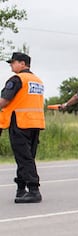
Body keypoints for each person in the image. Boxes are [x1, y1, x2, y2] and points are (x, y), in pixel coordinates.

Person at [0, 52, 45, 203]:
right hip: (35, 123)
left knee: (24, 158)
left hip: (19, 123)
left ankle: (33, 190)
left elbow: (4, 101)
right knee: (27, 157)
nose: (11, 65)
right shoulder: (37, 81)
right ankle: (21, 189)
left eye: (13, 62)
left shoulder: (18, 79)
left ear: (23, 64)